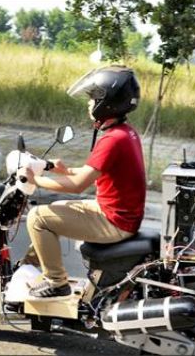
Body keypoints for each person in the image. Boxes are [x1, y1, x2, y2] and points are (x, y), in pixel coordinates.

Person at [20, 65, 146, 300]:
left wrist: (37, 180)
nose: (89, 104)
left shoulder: (112, 139)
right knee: (53, 211)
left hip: (114, 221)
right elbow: (92, 172)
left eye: (93, 99)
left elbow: (78, 185)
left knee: (37, 218)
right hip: (117, 213)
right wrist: (66, 170)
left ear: (106, 103)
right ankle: (33, 267)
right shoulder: (125, 132)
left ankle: (56, 283)